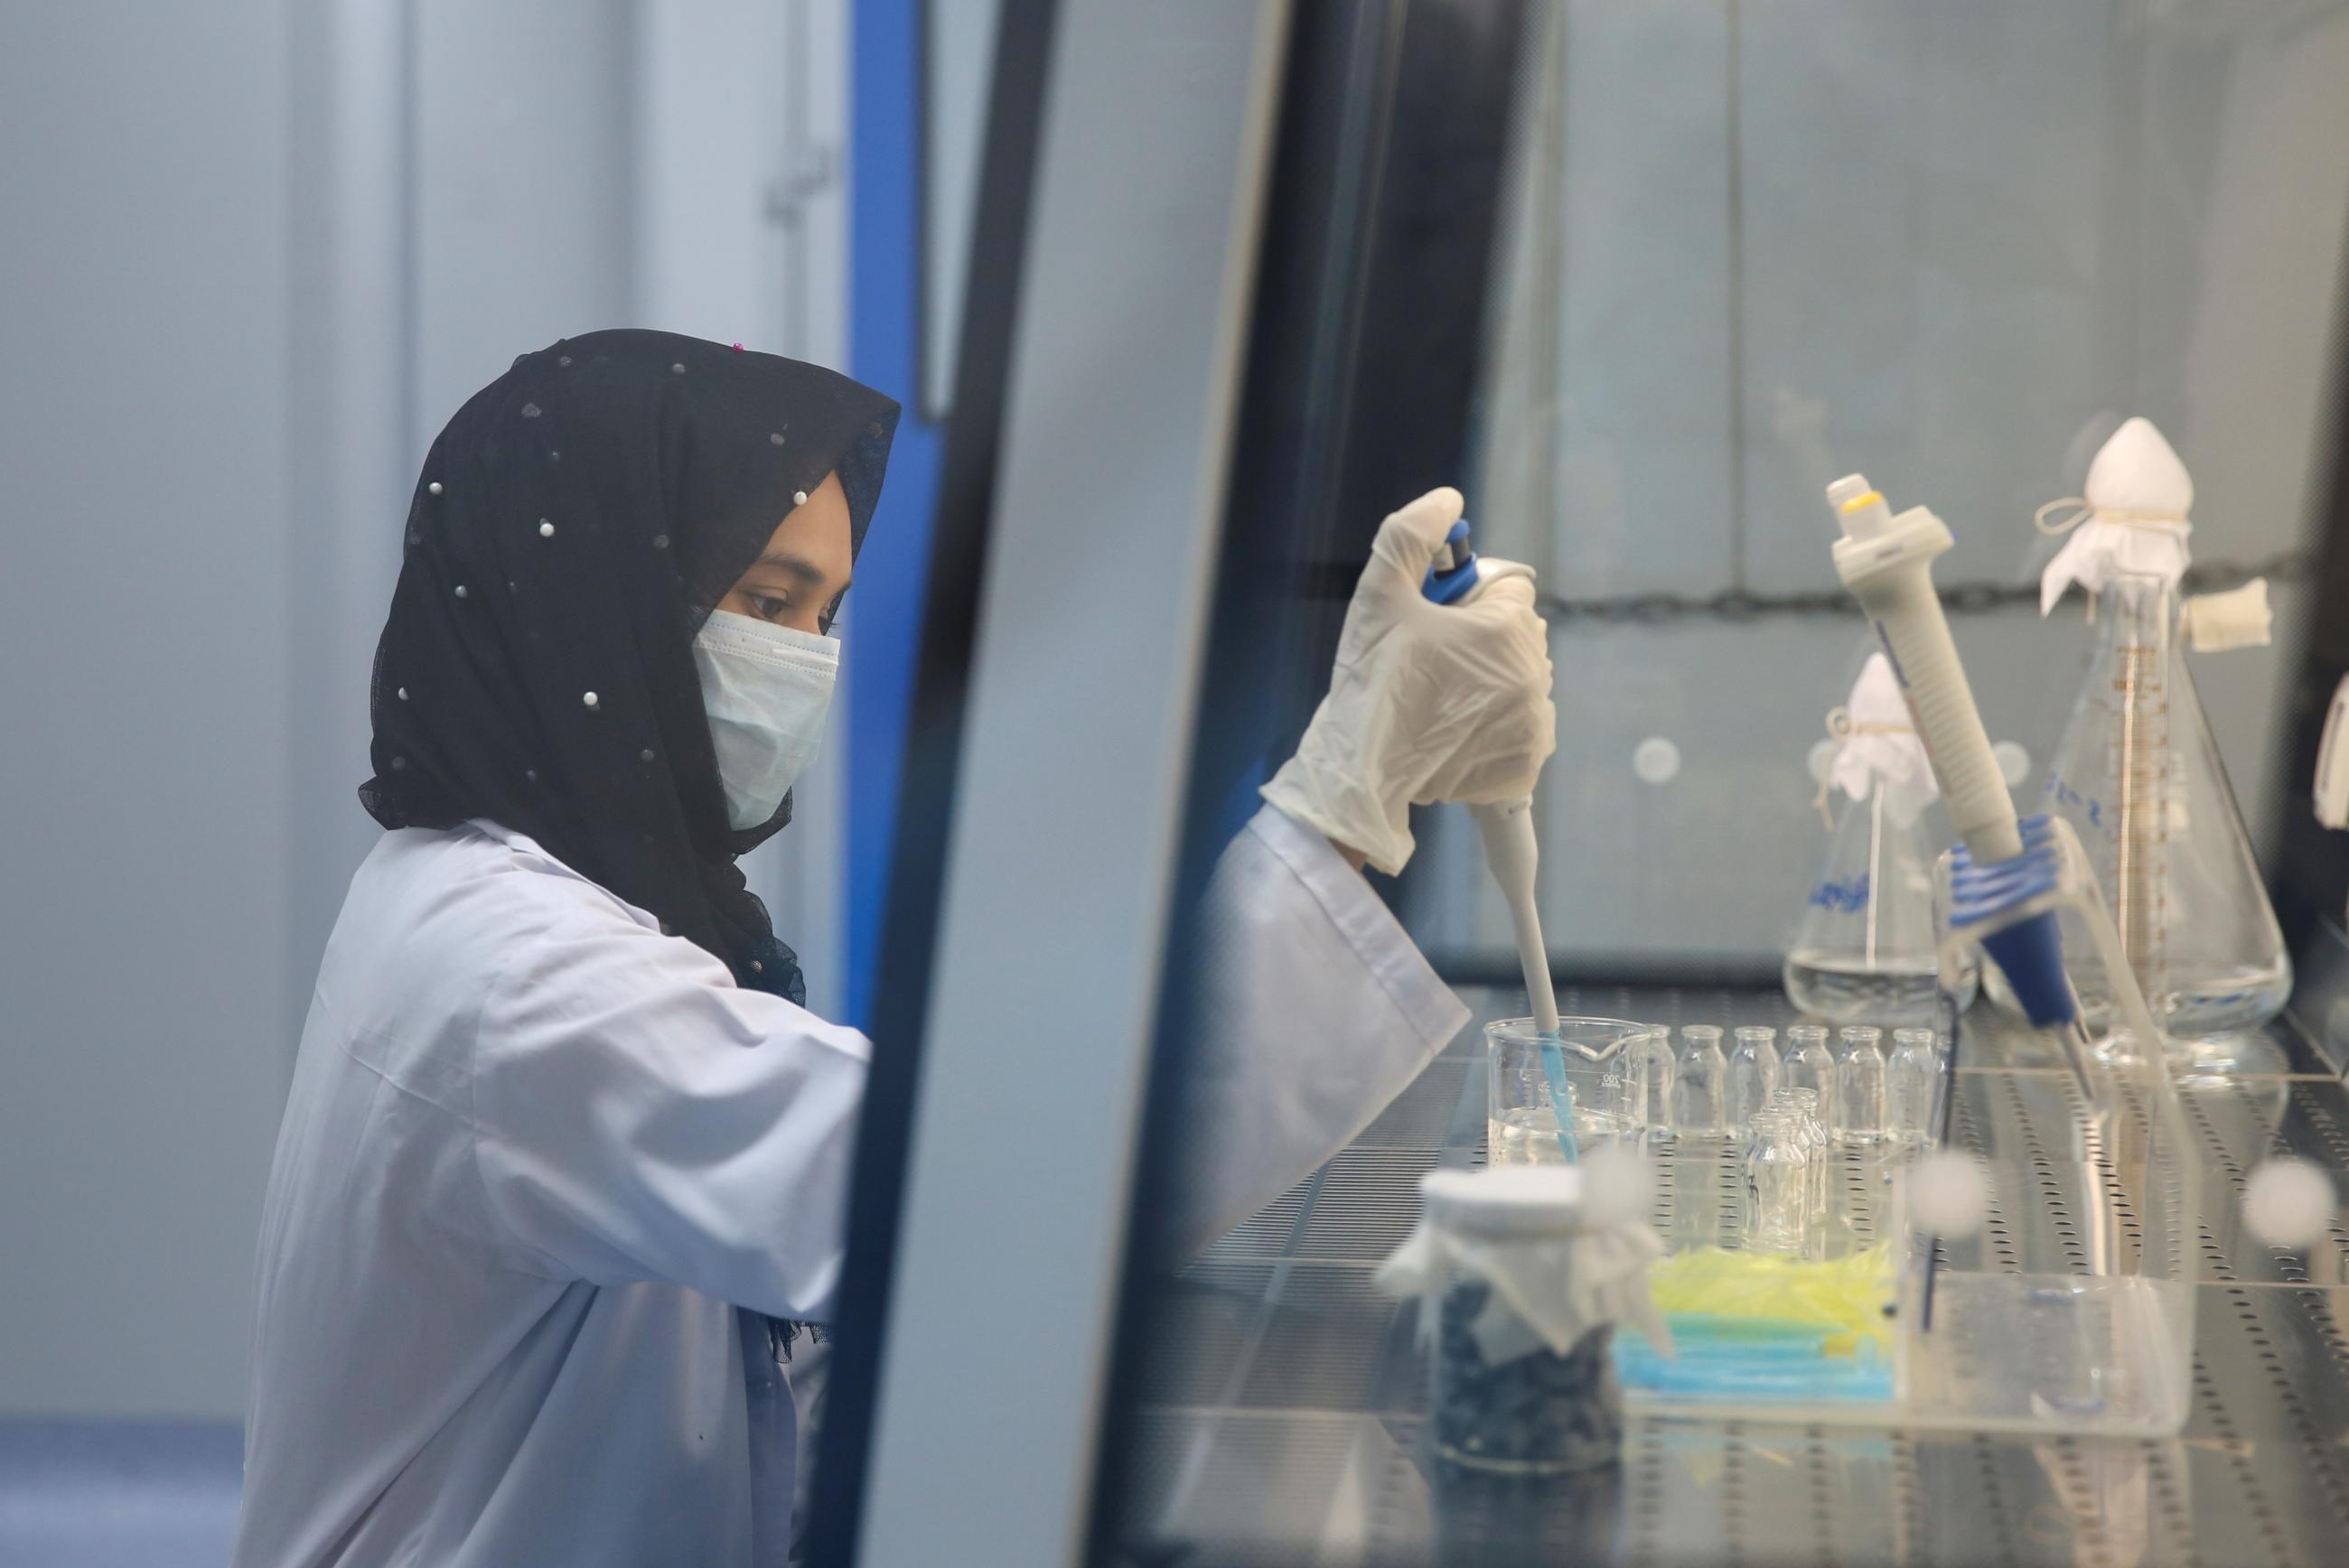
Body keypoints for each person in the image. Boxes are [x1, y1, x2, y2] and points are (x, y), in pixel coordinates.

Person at [231, 329, 1554, 1566]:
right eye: (764, 597)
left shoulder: (522, 898)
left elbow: (818, 1262)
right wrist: (1341, 807)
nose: (802, 660)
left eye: (824, 613)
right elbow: (956, 1200)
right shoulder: (514, 973)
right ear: (587, 600)